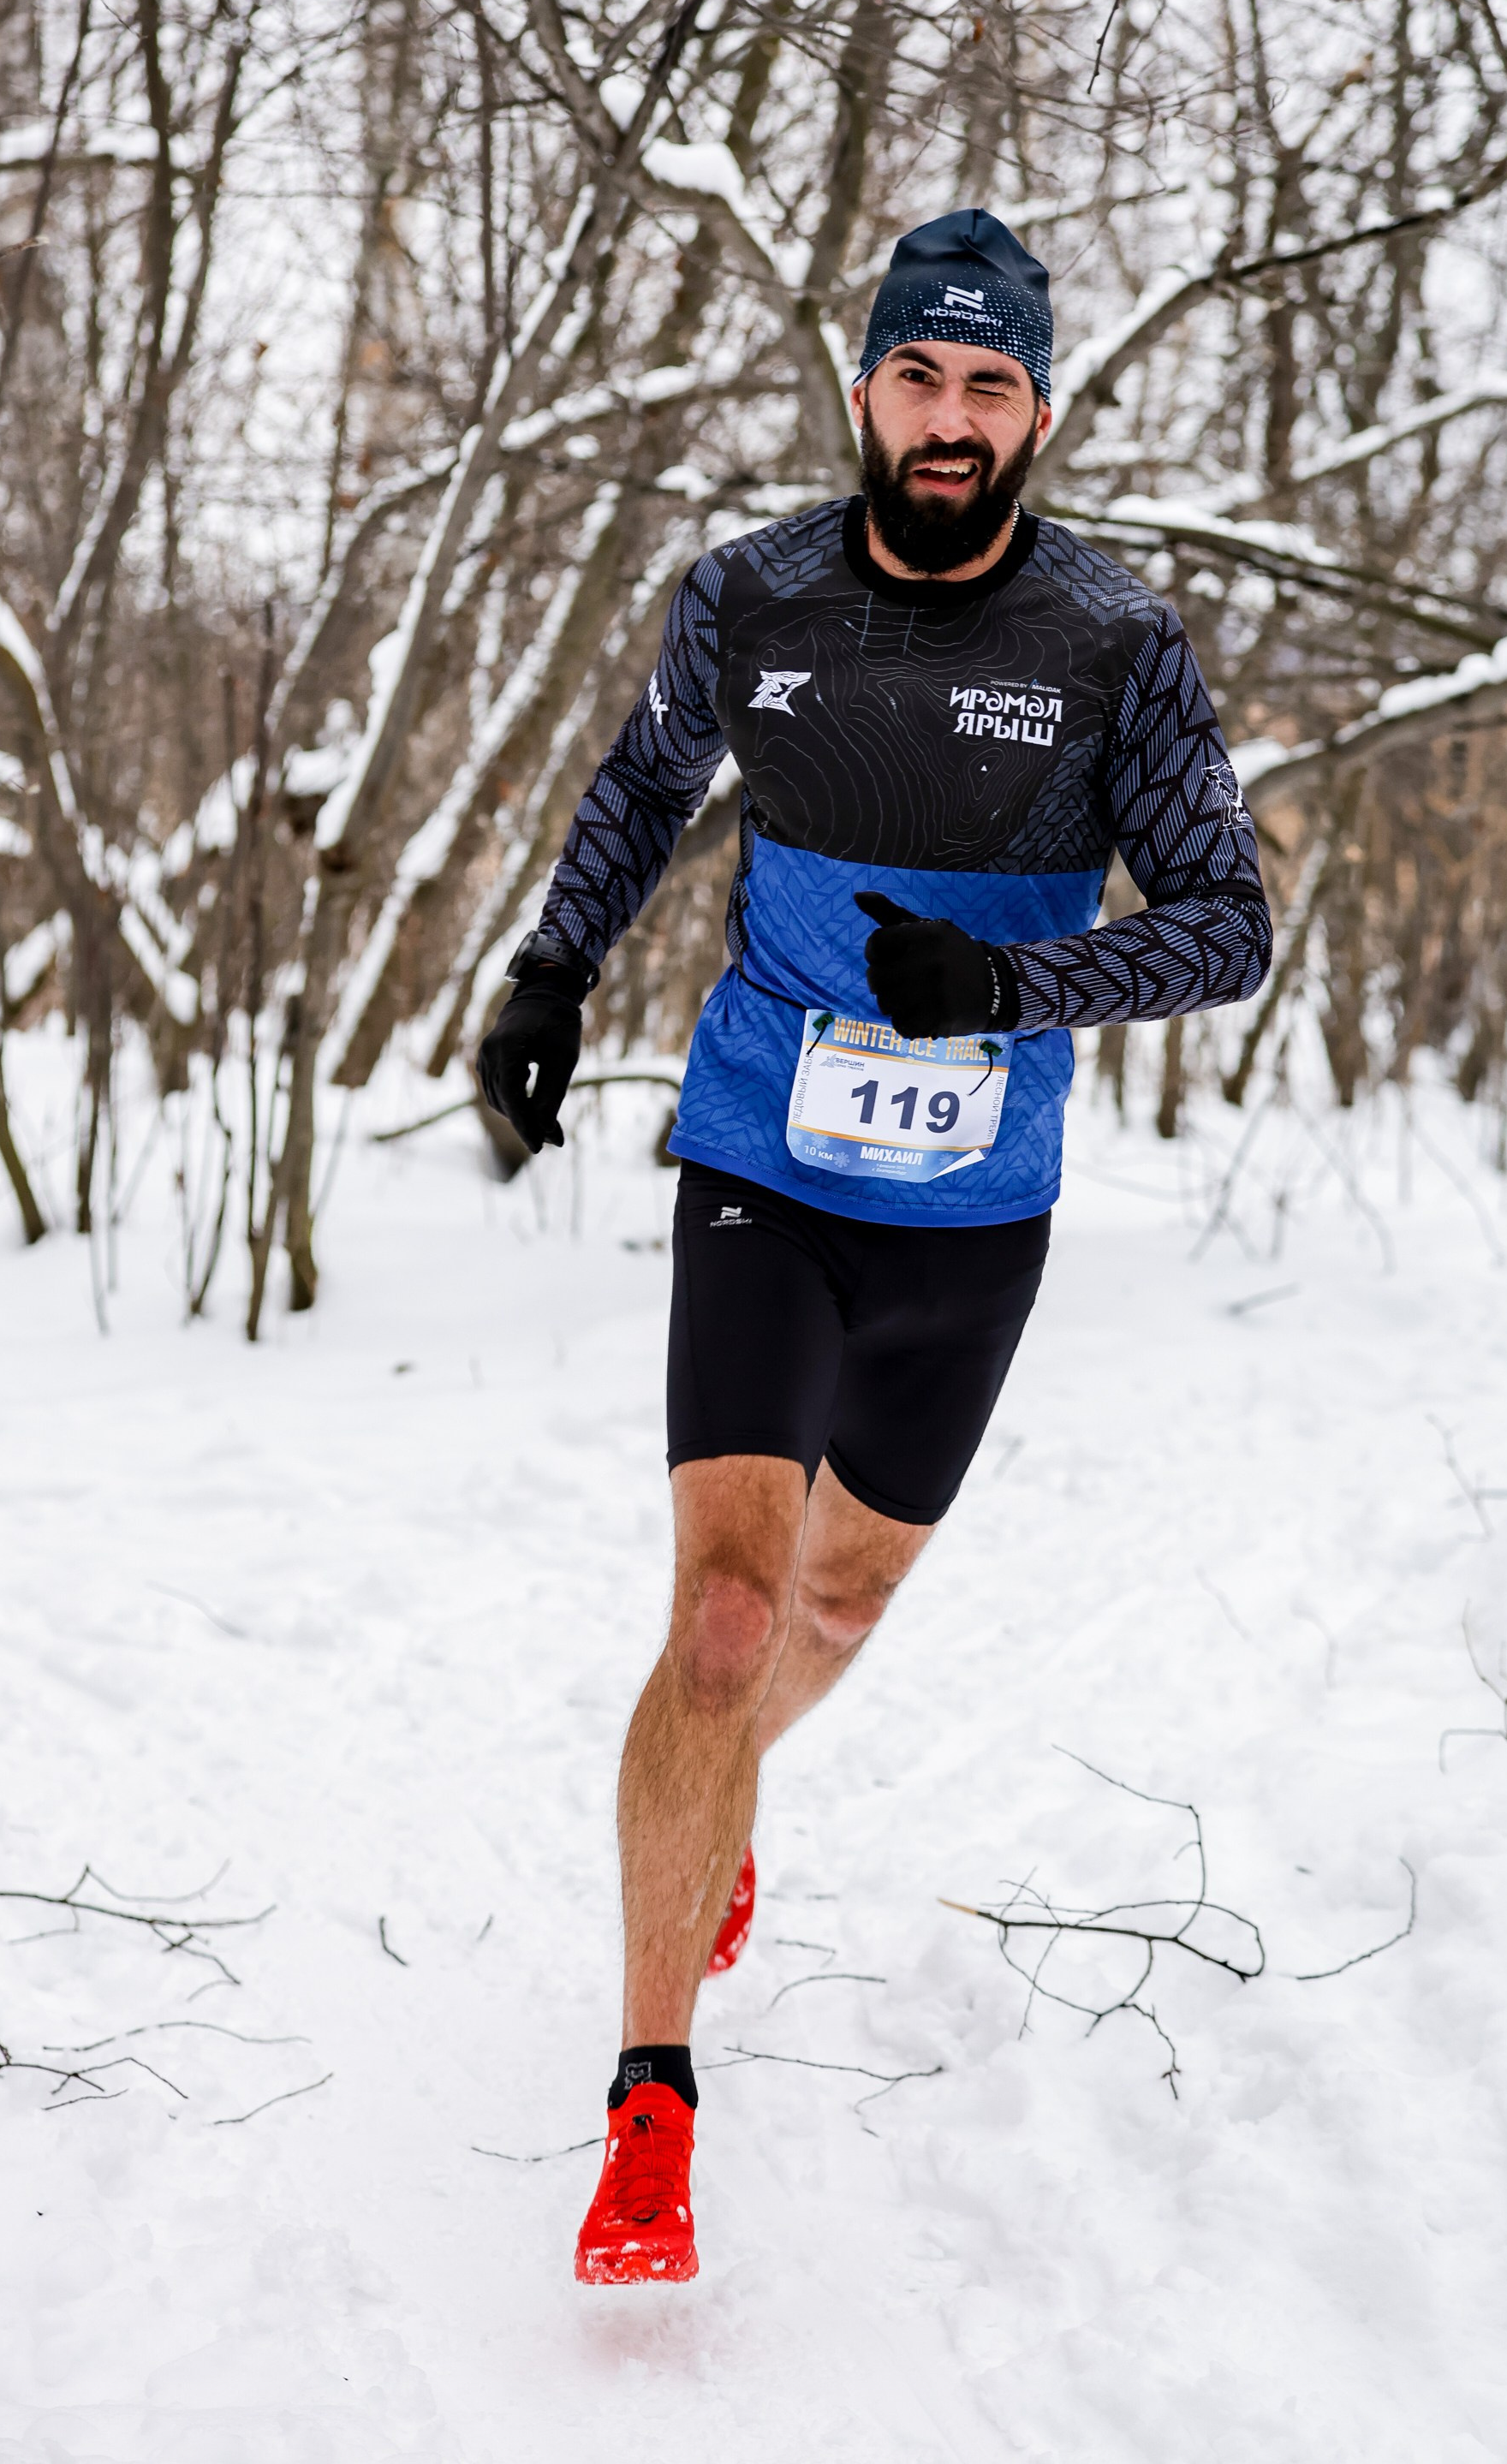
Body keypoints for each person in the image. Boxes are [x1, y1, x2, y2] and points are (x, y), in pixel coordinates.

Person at [476, 208, 1272, 2285]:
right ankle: (652, 2106)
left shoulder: (1116, 645)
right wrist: (549, 980)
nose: (949, 418)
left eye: (989, 384)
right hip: (758, 1164)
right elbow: (641, 794)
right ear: (861, 393)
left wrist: (1013, 990)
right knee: (725, 1623)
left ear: (1035, 411)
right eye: (917, 377)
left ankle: (716, 1808)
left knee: (828, 1616)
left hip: (972, 1217)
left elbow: (1228, 926)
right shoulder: (750, 595)